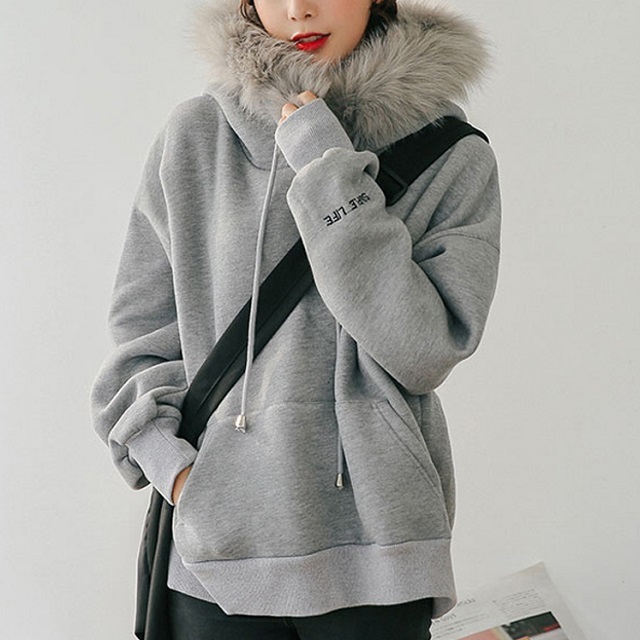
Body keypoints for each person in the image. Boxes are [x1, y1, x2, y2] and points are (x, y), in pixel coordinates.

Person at [91, 0, 501, 638]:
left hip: (380, 555)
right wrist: (178, 471)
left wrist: (324, 166)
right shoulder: (197, 136)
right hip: (216, 557)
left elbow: (423, 350)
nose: (298, 9)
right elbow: (140, 333)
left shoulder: (449, 152)